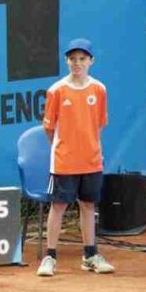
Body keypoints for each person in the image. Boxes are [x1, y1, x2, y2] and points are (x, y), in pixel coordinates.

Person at [37, 38, 115, 277]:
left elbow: (99, 125)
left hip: (91, 161)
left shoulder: (99, 89)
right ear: (66, 61)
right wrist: (63, 148)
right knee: (58, 206)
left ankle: (90, 255)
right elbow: (49, 128)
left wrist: (89, 147)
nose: (77, 63)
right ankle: (50, 257)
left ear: (91, 61)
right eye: (72, 59)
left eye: (82, 59)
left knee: (88, 205)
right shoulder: (56, 90)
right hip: (64, 162)